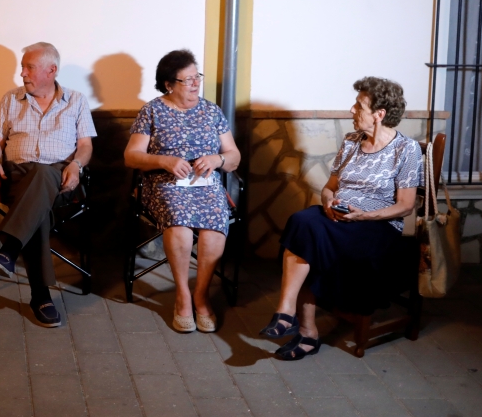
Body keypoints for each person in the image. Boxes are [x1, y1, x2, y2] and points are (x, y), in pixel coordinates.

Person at [259, 76, 423, 361]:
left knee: (306, 232)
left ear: (379, 114)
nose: (351, 110)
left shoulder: (405, 149)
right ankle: (291, 316)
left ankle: (301, 328)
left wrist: (365, 216)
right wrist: (328, 202)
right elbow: (329, 187)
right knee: (303, 223)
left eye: (359, 105)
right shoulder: (351, 142)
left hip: (376, 226)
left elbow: (406, 206)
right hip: (339, 218)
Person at [123, 49, 240, 334]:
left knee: (214, 226)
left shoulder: (211, 110)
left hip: (206, 184)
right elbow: (131, 156)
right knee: (180, 223)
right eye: (187, 80)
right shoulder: (152, 110)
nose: (195, 84)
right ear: (168, 84)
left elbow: (234, 156)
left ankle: (201, 295)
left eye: (196, 77)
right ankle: (183, 296)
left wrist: (218, 159)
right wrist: (164, 160)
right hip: (165, 184)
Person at [0, 42, 96, 327]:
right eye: (22, 67)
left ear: (51, 70)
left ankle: (9, 250)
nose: (22, 74)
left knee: (44, 176)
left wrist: (76, 165)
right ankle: (40, 296)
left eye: (29, 67)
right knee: (38, 202)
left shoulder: (77, 101)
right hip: (15, 178)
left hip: (61, 180)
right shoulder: (11, 99)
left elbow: (85, 146)